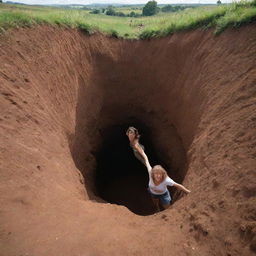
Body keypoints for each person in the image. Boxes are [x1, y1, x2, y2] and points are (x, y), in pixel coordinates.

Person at [126, 126, 191, 212]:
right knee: (155, 200)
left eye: (159, 174)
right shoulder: (150, 172)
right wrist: (146, 163)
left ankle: (167, 212)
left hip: (163, 194)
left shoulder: (166, 180)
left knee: (167, 207)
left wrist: (187, 191)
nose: (157, 176)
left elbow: (177, 185)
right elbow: (149, 165)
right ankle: (157, 208)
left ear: (163, 174)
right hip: (153, 193)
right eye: (156, 173)